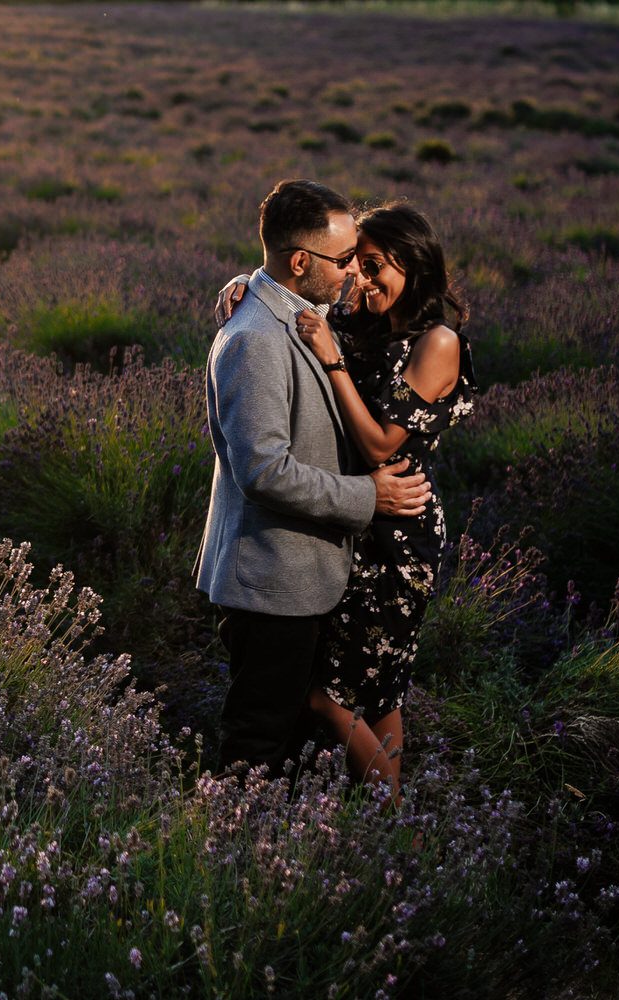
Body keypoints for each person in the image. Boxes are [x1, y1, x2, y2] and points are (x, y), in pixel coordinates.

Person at [216, 201, 477, 802]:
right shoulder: (360, 318)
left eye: (376, 264)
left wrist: (333, 359)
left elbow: (382, 442)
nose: (360, 277)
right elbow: (292, 281)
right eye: (355, 264)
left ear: (415, 265)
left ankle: (396, 825)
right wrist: (245, 284)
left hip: (396, 527)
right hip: (358, 518)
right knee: (379, 692)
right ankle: (389, 831)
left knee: (328, 697)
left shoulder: (437, 341)